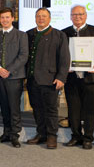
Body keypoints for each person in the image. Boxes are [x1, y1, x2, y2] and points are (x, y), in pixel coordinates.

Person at [61, 5, 94, 150]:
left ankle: (88, 138)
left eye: (81, 14)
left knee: (89, 110)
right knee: (73, 109)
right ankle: (76, 136)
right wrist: (65, 66)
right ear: (70, 16)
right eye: (74, 15)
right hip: (71, 78)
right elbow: (60, 55)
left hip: (91, 78)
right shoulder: (64, 33)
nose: (78, 17)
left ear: (86, 15)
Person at [25, 8, 70, 149]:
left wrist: (61, 77)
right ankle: (41, 134)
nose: (41, 18)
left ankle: (52, 136)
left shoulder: (59, 35)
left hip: (50, 79)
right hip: (32, 80)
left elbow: (64, 58)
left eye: (44, 16)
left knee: (50, 109)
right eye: (38, 16)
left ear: (50, 18)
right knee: (37, 108)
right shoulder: (28, 34)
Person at [0, 8, 28, 148]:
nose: (5, 20)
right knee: (4, 107)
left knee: (14, 107)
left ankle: (15, 135)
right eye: (2, 18)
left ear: (12, 18)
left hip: (14, 77)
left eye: (7, 17)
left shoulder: (21, 35)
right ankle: (6, 132)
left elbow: (24, 55)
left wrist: (9, 70)